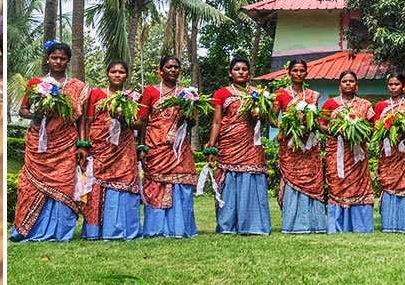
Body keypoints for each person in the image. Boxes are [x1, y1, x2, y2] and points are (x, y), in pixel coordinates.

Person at [10, 42, 90, 242]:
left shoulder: (78, 88)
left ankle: (59, 231)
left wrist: (82, 145)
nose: (58, 61)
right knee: (29, 185)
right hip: (39, 143)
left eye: (62, 59)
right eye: (54, 58)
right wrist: (37, 114)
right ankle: (28, 229)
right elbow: (23, 110)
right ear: (48, 59)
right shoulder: (36, 83)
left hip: (65, 143)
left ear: (68, 61)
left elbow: (81, 120)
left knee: (63, 185)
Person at [205, 57, 272, 236]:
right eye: (236, 69)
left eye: (244, 69)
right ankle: (227, 224)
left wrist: (260, 115)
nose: (240, 72)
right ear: (230, 73)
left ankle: (253, 224)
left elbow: (265, 117)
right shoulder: (221, 93)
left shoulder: (258, 93)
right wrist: (211, 146)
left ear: (249, 73)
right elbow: (217, 121)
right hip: (229, 143)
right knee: (229, 181)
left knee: (251, 176)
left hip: (251, 143)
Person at [137, 56, 198, 238]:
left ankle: (179, 228)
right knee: (155, 184)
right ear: (160, 70)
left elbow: (192, 122)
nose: (172, 70)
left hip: (178, 148)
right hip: (155, 145)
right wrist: (141, 146)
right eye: (168, 67)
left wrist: (188, 117)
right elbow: (143, 120)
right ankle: (155, 228)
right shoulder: (150, 91)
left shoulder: (186, 93)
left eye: (176, 67)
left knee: (180, 184)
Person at [81, 60, 142, 241]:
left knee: (125, 184)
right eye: (113, 71)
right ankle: (95, 231)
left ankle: (124, 228)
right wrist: (83, 144)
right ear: (107, 74)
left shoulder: (133, 96)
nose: (117, 75)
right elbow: (88, 120)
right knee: (96, 186)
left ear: (126, 75)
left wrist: (125, 119)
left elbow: (140, 123)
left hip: (123, 147)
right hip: (99, 146)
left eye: (121, 72)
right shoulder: (97, 94)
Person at [269, 59, 326, 234]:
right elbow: (271, 119)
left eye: (302, 71)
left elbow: (316, 120)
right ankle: (292, 223)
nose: (299, 74)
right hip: (289, 146)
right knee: (292, 180)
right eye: (295, 71)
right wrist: (286, 126)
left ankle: (314, 223)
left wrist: (308, 124)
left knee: (311, 180)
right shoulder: (280, 94)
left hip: (309, 147)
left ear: (306, 73)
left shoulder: (313, 95)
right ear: (289, 73)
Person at [320, 70, 376, 233]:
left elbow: (373, 127)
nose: (348, 84)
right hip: (336, 151)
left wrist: (361, 131)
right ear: (340, 86)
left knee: (359, 186)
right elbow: (321, 124)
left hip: (357, 154)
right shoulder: (330, 103)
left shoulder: (365, 104)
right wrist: (335, 129)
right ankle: (337, 226)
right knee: (338, 184)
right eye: (345, 81)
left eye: (351, 81)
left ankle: (361, 226)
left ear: (356, 85)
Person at [374, 71, 405, 234]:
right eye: (390, 84)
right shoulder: (381, 106)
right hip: (389, 154)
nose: (393, 87)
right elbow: (376, 127)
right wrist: (388, 132)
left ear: (404, 86)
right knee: (389, 185)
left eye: (397, 84)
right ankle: (389, 224)